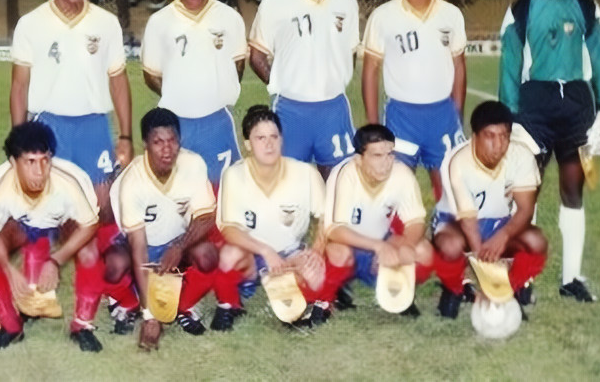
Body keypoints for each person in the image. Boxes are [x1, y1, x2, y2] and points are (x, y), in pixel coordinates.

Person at [9, 0, 136, 319]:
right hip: (49, 125)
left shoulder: (106, 22)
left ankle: (114, 289)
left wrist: (125, 135)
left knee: (102, 211)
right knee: (46, 209)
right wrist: (20, 142)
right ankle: (37, 293)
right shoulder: (31, 24)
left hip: (94, 126)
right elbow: (18, 86)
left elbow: (118, 81)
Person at [499, 0, 600, 302]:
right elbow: (509, 67)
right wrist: (508, 118)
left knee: (572, 190)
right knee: (525, 193)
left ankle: (571, 279)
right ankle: (524, 279)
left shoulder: (586, 6)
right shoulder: (521, 7)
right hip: (535, 107)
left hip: (576, 107)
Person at [0, 122, 106, 352]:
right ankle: (10, 326)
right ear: (12, 162)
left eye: (45, 160)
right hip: (22, 224)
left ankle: (83, 325)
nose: (40, 171)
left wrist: (56, 260)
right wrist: (9, 269)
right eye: (30, 162)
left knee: (89, 251)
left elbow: (89, 225)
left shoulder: (69, 183)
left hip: (61, 222)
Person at [249, 0, 360, 179]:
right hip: (290, 110)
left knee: (339, 184)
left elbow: (350, 52)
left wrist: (334, 80)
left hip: (333, 108)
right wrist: (281, 84)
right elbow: (256, 57)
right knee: (287, 185)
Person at [361, 0, 467, 201]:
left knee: (450, 190)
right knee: (394, 190)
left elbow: (459, 66)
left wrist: (457, 113)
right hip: (401, 117)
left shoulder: (451, 14)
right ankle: (396, 241)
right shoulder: (383, 16)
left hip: (442, 114)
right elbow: (370, 71)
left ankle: (444, 233)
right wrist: (374, 126)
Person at [141, 0, 247, 191]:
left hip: (217, 121)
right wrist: (182, 97)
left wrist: (214, 94)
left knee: (225, 193)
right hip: (176, 124)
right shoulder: (160, 21)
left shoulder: (230, 18)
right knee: (177, 193)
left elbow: (238, 66)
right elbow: (151, 74)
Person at [114, 108, 219, 350]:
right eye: (158, 142)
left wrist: (179, 246)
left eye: (172, 141)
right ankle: (129, 303)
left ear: (180, 141)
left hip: (176, 242)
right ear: (145, 145)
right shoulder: (132, 182)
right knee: (113, 266)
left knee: (209, 256)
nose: (167, 149)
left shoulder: (193, 164)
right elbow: (138, 247)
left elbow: (206, 217)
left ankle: (182, 306)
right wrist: (150, 315)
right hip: (143, 246)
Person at [214, 105, 327, 329]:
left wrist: (316, 250)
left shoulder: (305, 174)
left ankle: (289, 290)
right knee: (228, 256)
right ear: (248, 144)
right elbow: (228, 228)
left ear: (282, 139)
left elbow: (327, 219)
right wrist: (266, 251)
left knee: (316, 276)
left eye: (274, 136)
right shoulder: (234, 176)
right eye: (260, 138)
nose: (269, 144)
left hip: (290, 252)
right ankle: (229, 305)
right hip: (253, 254)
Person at [432, 101, 548, 319]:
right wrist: (486, 274)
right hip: (457, 223)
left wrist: (503, 236)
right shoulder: (457, 162)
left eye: (504, 136)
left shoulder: (520, 156)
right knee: (449, 246)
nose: (498, 144)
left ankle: (510, 291)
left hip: (498, 222)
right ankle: (455, 289)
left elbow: (525, 208)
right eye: (490, 136)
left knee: (536, 242)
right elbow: (468, 222)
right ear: (474, 136)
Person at [320, 124, 434, 316]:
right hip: (349, 245)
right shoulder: (344, 174)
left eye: (390, 154)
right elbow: (334, 230)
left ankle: (398, 291)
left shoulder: (401, 174)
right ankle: (335, 292)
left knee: (424, 252)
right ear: (359, 159)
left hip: (381, 238)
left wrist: (406, 245)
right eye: (377, 156)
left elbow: (415, 220)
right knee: (338, 253)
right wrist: (378, 247)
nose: (386, 162)